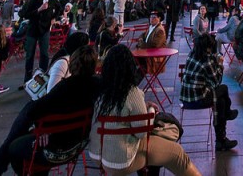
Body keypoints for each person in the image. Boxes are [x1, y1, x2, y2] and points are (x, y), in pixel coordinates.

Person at [0, 46, 102, 176]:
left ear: (72, 63)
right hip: (78, 145)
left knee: (14, 146)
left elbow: (33, 111)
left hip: (55, 149)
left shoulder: (64, 87)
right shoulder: (99, 85)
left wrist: (44, 128)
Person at [86, 45, 201, 176]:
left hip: (98, 155)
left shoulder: (101, 92)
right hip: (122, 160)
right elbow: (142, 132)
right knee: (177, 153)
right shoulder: (132, 93)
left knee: (157, 144)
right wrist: (151, 110)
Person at [181, 33, 238, 151]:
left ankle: (221, 140)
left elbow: (211, 58)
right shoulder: (206, 61)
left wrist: (215, 57)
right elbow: (217, 81)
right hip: (198, 98)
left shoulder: (192, 54)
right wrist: (221, 64)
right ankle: (221, 137)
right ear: (207, 48)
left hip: (185, 97)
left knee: (221, 101)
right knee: (223, 89)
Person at [20, 0, 57, 87]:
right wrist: (39, 10)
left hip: (45, 29)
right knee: (29, 55)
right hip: (33, 29)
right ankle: (27, 80)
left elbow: (59, 8)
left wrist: (54, 17)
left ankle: (43, 77)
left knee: (44, 53)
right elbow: (26, 14)